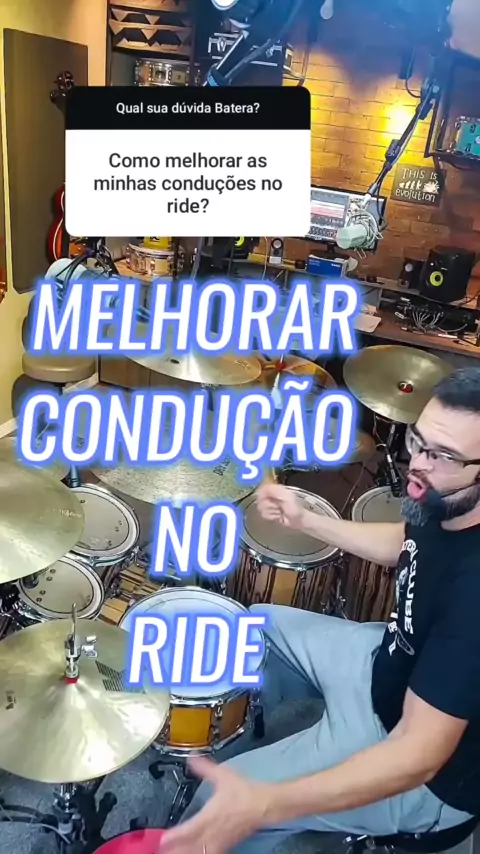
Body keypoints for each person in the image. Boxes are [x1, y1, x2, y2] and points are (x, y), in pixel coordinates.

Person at [160, 366, 480, 854]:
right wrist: (305, 519)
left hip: (418, 768)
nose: (418, 466)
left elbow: (418, 755)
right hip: (387, 663)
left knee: (220, 804)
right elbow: (407, 542)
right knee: (258, 627)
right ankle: (244, 735)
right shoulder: (445, 500)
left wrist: (268, 802)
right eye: (418, 442)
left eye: (444, 456)